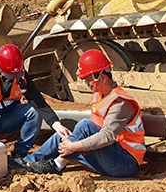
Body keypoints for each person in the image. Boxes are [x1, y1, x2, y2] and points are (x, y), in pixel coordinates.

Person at [21, 48, 145, 177]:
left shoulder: (120, 103)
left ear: (101, 77)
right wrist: (74, 143)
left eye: (87, 78)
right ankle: (27, 163)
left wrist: (74, 147)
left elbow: (106, 137)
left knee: (84, 126)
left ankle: (57, 164)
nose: (85, 83)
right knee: (64, 135)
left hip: (125, 164)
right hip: (106, 157)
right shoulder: (99, 94)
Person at [0, 44, 71, 168]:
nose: (13, 78)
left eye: (15, 75)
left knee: (34, 111)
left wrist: (56, 123)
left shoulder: (21, 73)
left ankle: (20, 153)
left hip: (8, 119)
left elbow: (37, 100)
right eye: (8, 75)